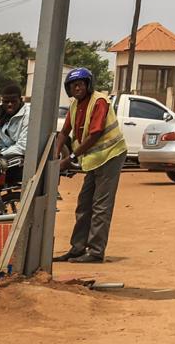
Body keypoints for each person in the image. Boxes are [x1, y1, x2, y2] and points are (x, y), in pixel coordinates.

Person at [53, 67, 126, 265]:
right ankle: (77, 248)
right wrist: (56, 152)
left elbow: (95, 134)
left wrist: (71, 157)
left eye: (80, 84)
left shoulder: (99, 101)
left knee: (100, 206)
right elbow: (63, 132)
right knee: (84, 203)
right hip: (94, 160)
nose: (77, 88)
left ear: (88, 85)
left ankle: (95, 251)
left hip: (111, 155)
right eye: (73, 85)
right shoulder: (75, 106)